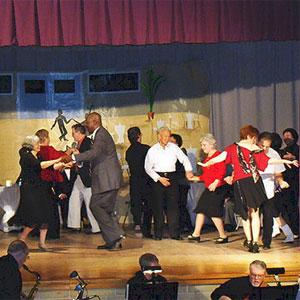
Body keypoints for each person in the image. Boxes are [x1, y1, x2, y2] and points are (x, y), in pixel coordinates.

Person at [199, 125, 298, 253]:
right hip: (254, 181)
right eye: (254, 138)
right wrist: (286, 162)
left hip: (241, 183)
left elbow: (221, 157)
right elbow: (268, 161)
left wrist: (207, 163)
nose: (255, 141)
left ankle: (251, 241)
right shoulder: (254, 148)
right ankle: (255, 243)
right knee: (254, 213)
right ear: (249, 136)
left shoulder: (233, 148)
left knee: (245, 214)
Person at [69, 112, 124, 250]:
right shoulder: (100, 135)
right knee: (105, 209)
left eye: (87, 123)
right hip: (106, 179)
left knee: (95, 206)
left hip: (107, 179)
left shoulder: (101, 135)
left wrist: (75, 158)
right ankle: (113, 241)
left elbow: (94, 153)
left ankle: (116, 236)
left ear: (95, 122)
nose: (86, 125)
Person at [11, 135, 65, 251]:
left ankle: (42, 243)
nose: (39, 146)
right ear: (31, 146)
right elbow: (40, 165)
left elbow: (48, 167)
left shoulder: (37, 155)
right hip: (29, 189)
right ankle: (20, 241)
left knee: (46, 215)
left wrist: (63, 164)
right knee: (33, 218)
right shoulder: (26, 156)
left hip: (39, 187)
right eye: (37, 144)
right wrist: (58, 159)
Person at [144, 127, 193, 240]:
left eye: (168, 136)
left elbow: (184, 159)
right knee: (158, 207)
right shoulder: (152, 150)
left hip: (172, 177)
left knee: (173, 207)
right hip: (158, 179)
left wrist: (188, 170)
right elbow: (147, 168)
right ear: (159, 136)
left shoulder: (174, 148)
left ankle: (175, 234)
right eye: (164, 136)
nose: (167, 139)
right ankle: (158, 234)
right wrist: (159, 178)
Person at [189, 134, 228, 243]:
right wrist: (195, 178)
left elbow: (221, 171)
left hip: (218, 188)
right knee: (201, 209)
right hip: (210, 188)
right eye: (202, 145)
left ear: (211, 145)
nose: (202, 147)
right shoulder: (207, 159)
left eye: (204, 145)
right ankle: (196, 234)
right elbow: (207, 175)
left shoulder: (218, 155)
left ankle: (223, 236)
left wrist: (216, 182)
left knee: (213, 212)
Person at [258, 132, 294, 249]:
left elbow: (278, 173)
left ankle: (268, 241)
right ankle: (253, 240)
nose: (265, 149)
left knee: (271, 214)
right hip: (254, 188)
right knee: (256, 214)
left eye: (267, 146)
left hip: (269, 189)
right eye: (262, 146)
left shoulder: (274, 154)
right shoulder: (253, 153)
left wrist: (281, 182)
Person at [35, 128, 71, 238]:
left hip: (37, 183)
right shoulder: (48, 150)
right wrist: (67, 158)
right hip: (48, 183)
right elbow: (59, 159)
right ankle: (51, 233)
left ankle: (37, 233)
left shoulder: (35, 152)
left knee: (39, 209)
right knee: (51, 209)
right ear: (45, 138)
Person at [67, 124, 100, 234]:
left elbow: (91, 159)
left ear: (78, 132)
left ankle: (97, 228)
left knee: (90, 202)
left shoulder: (88, 143)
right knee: (74, 200)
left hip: (88, 177)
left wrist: (78, 156)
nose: (72, 135)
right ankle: (74, 225)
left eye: (73, 133)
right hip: (79, 176)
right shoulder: (79, 143)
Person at [125, 127, 152, 238]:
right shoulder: (146, 149)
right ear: (139, 136)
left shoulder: (129, 151)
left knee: (136, 203)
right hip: (146, 180)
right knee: (148, 204)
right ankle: (147, 229)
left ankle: (137, 224)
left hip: (134, 180)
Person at [169, 133, 193, 234]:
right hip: (176, 183)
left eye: (172, 141)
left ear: (177, 143)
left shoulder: (181, 151)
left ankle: (186, 226)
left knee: (181, 205)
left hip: (181, 183)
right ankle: (182, 225)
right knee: (177, 205)